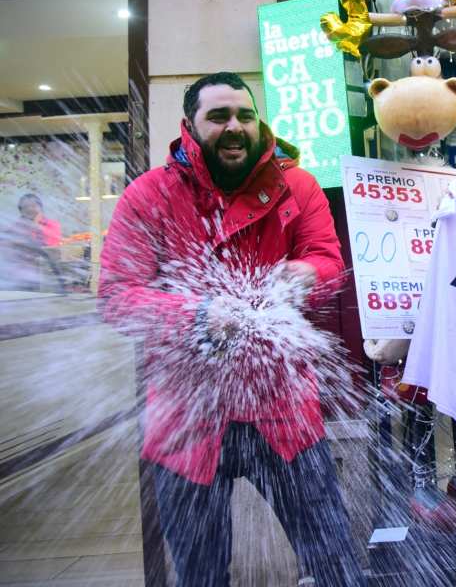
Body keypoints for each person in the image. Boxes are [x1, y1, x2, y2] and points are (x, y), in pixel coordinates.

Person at [99, 72, 362, 586]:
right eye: (218, 117)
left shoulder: (298, 185)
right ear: (190, 127)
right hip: (186, 417)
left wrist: (309, 274)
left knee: (335, 562)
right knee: (201, 576)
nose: (235, 126)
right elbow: (116, 298)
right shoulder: (148, 195)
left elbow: (328, 261)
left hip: (283, 406)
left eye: (245, 115)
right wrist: (195, 315)